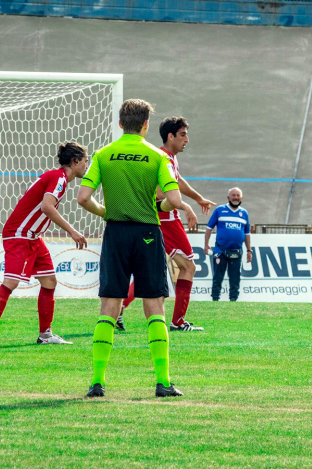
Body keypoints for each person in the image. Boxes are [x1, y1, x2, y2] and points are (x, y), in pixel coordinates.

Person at [76, 99, 187, 398]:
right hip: (148, 234)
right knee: (154, 307)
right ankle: (162, 382)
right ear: (147, 125)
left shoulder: (103, 154)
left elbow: (83, 198)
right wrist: (166, 205)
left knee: (109, 307)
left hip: (116, 233)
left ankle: (97, 381)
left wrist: (105, 212)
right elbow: (172, 201)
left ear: (120, 124)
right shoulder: (157, 156)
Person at [0, 142, 89, 348]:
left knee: (49, 282)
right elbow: (47, 207)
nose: (86, 165)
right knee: (11, 283)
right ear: (75, 161)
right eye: (85, 161)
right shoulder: (59, 178)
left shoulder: (59, 178)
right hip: (19, 234)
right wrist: (72, 231)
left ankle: (45, 334)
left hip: (33, 237)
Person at [117, 116, 216, 332]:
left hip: (157, 219)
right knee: (188, 266)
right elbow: (160, 192)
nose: (187, 139)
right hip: (165, 220)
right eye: (182, 135)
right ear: (170, 136)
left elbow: (177, 181)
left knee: (152, 270)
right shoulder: (164, 158)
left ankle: (119, 309)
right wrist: (185, 207)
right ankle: (178, 321)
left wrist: (197, 198)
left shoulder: (167, 157)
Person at [204, 188, 252, 302]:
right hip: (220, 251)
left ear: (241, 198)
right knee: (217, 277)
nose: (236, 197)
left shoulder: (244, 213)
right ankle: (215, 300)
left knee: (235, 279)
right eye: (233, 195)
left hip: (237, 251)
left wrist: (249, 250)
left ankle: (233, 300)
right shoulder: (219, 210)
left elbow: (247, 233)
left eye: (238, 195)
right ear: (228, 197)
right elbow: (209, 228)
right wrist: (206, 245)